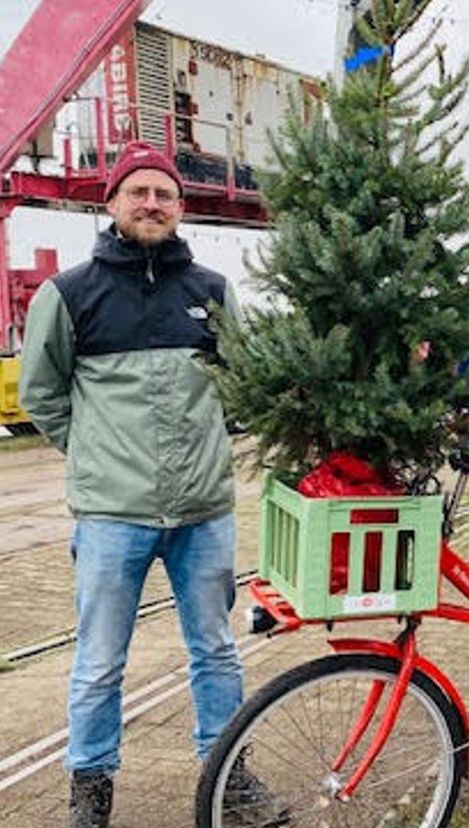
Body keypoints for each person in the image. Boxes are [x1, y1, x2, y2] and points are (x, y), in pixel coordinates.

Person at [18, 142, 259, 828]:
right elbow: (42, 393)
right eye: (138, 193)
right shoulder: (69, 295)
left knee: (215, 649)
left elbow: (238, 387)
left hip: (204, 513)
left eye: (163, 194)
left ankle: (230, 779)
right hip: (111, 516)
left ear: (181, 209)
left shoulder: (211, 292)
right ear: (112, 202)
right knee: (98, 664)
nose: (151, 204)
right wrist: (94, 455)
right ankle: (90, 799)